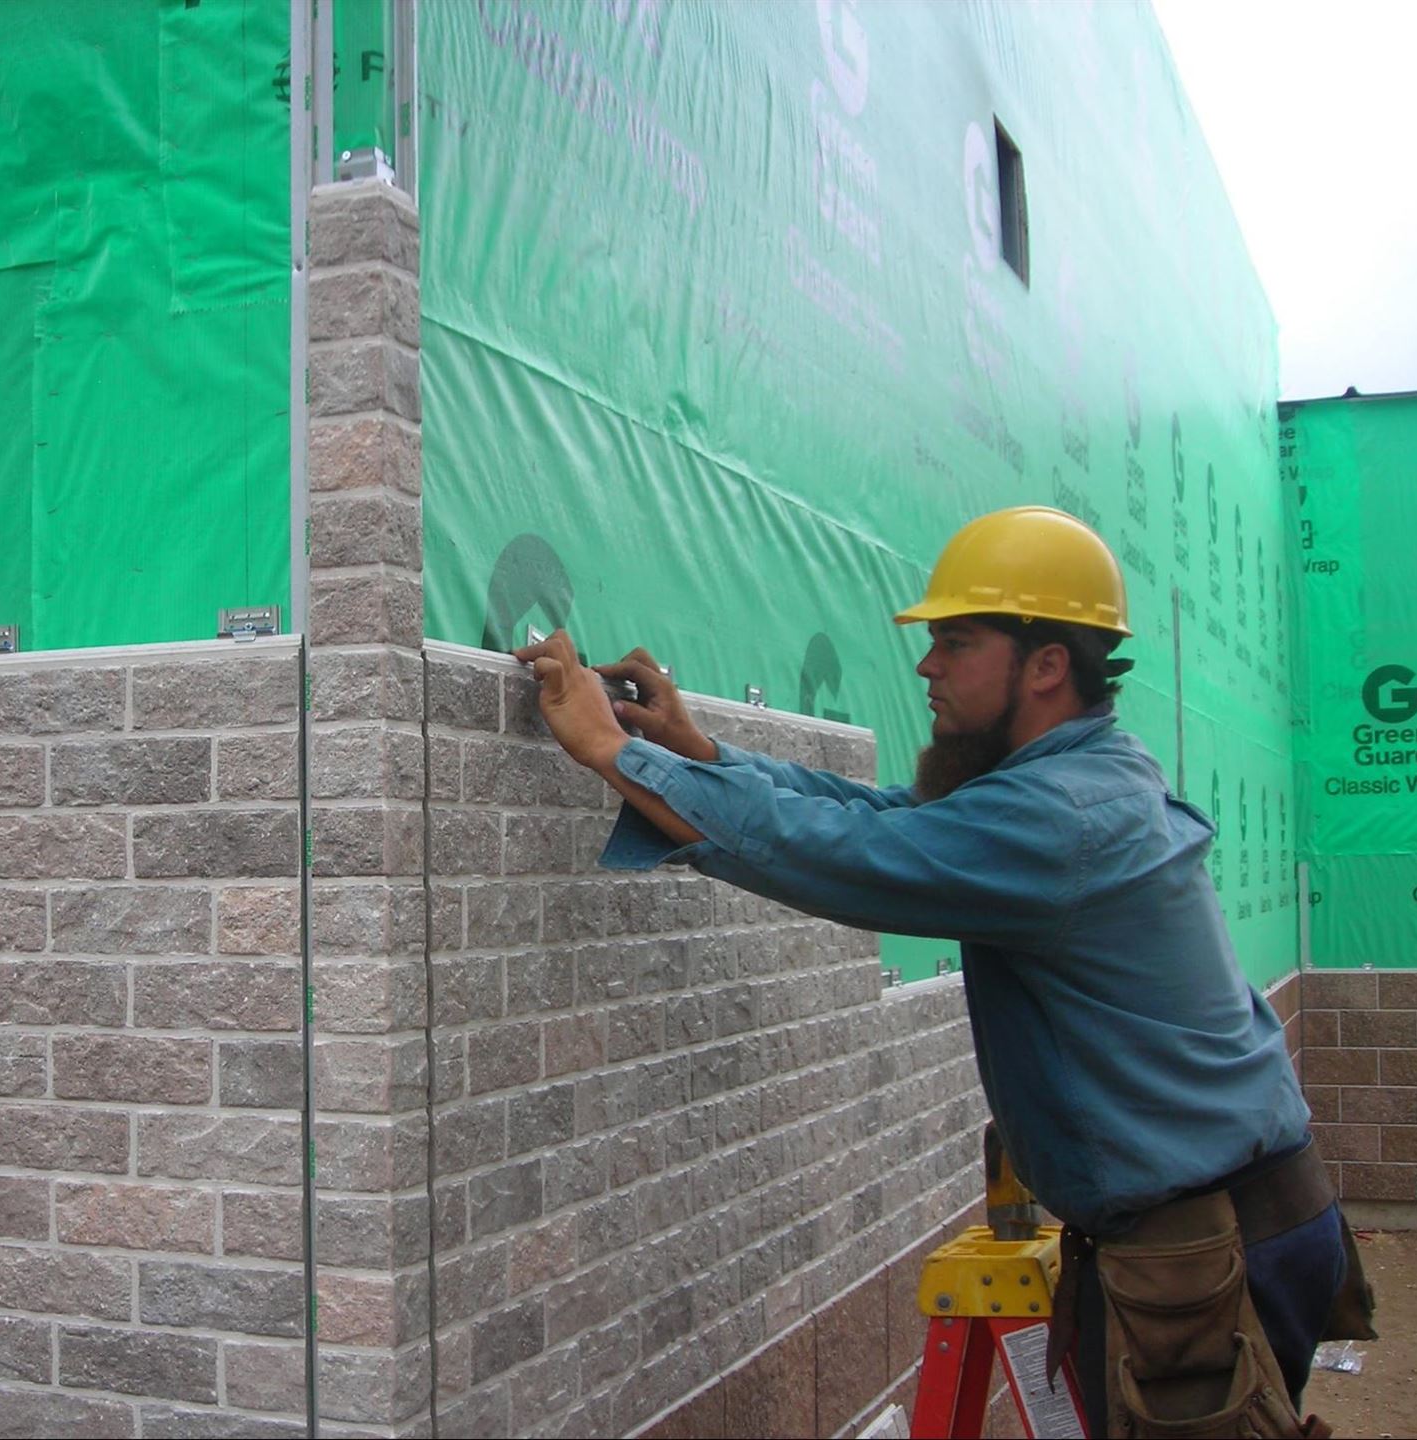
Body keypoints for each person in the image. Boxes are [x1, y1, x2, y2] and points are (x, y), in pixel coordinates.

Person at [514, 506, 1370, 1439]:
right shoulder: (1077, 783)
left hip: (1207, 1247)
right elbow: (882, 819)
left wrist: (611, 750)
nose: (927, 666)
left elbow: (850, 855)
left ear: (1045, 666)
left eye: (955, 643)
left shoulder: (1059, 821)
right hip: (1243, 1220)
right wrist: (697, 755)